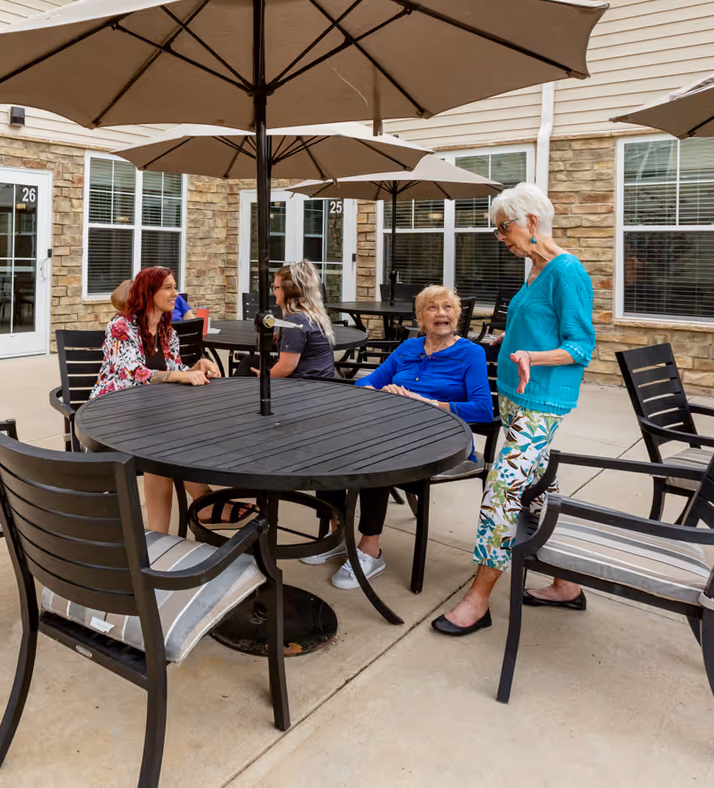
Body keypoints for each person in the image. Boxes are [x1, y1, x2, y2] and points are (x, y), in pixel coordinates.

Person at [433, 183, 595, 636]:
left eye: (502, 227)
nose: (500, 237)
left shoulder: (568, 272)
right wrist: (511, 343)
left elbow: (581, 347)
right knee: (540, 488)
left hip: (542, 402)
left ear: (530, 223)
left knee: (503, 488)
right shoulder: (534, 269)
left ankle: (478, 598)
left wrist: (532, 357)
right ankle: (566, 583)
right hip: (516, 398)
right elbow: (538, 325)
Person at [306, 285, 493, 589]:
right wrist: (382, 391)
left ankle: (370, 549)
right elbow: (367, 381)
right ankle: (338, 534)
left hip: (442, 439)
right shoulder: (409, 348)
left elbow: (484, 409)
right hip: (394, 427)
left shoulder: (471, 353)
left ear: (457, 315)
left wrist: (428, 403)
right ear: (420, 317)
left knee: (376, 454)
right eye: (432, 308)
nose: (441, 314)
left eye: (448, 308)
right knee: (334, 446)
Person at [91, 266, 227, 532]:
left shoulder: (167, 332)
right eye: (168, 287)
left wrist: (196, 367)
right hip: (112, 414)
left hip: (151, 414)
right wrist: (179, 377)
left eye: (174, 286)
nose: (175, 293)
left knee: (174, 442)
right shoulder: (120, 327)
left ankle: (166, 533)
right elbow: (133, 372)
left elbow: (174, 373)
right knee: (159, 450)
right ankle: (200, 507)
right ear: (148, 292)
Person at [241, 261, 337, 381]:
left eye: (276, 287)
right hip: (324, 380)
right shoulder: (310, 314)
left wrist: (263, 377)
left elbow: (286, 367)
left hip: (306, 385)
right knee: (250, 361)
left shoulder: (295, 321)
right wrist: (282, 338)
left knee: (247, 371)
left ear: (289, 291)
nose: (273, 292)